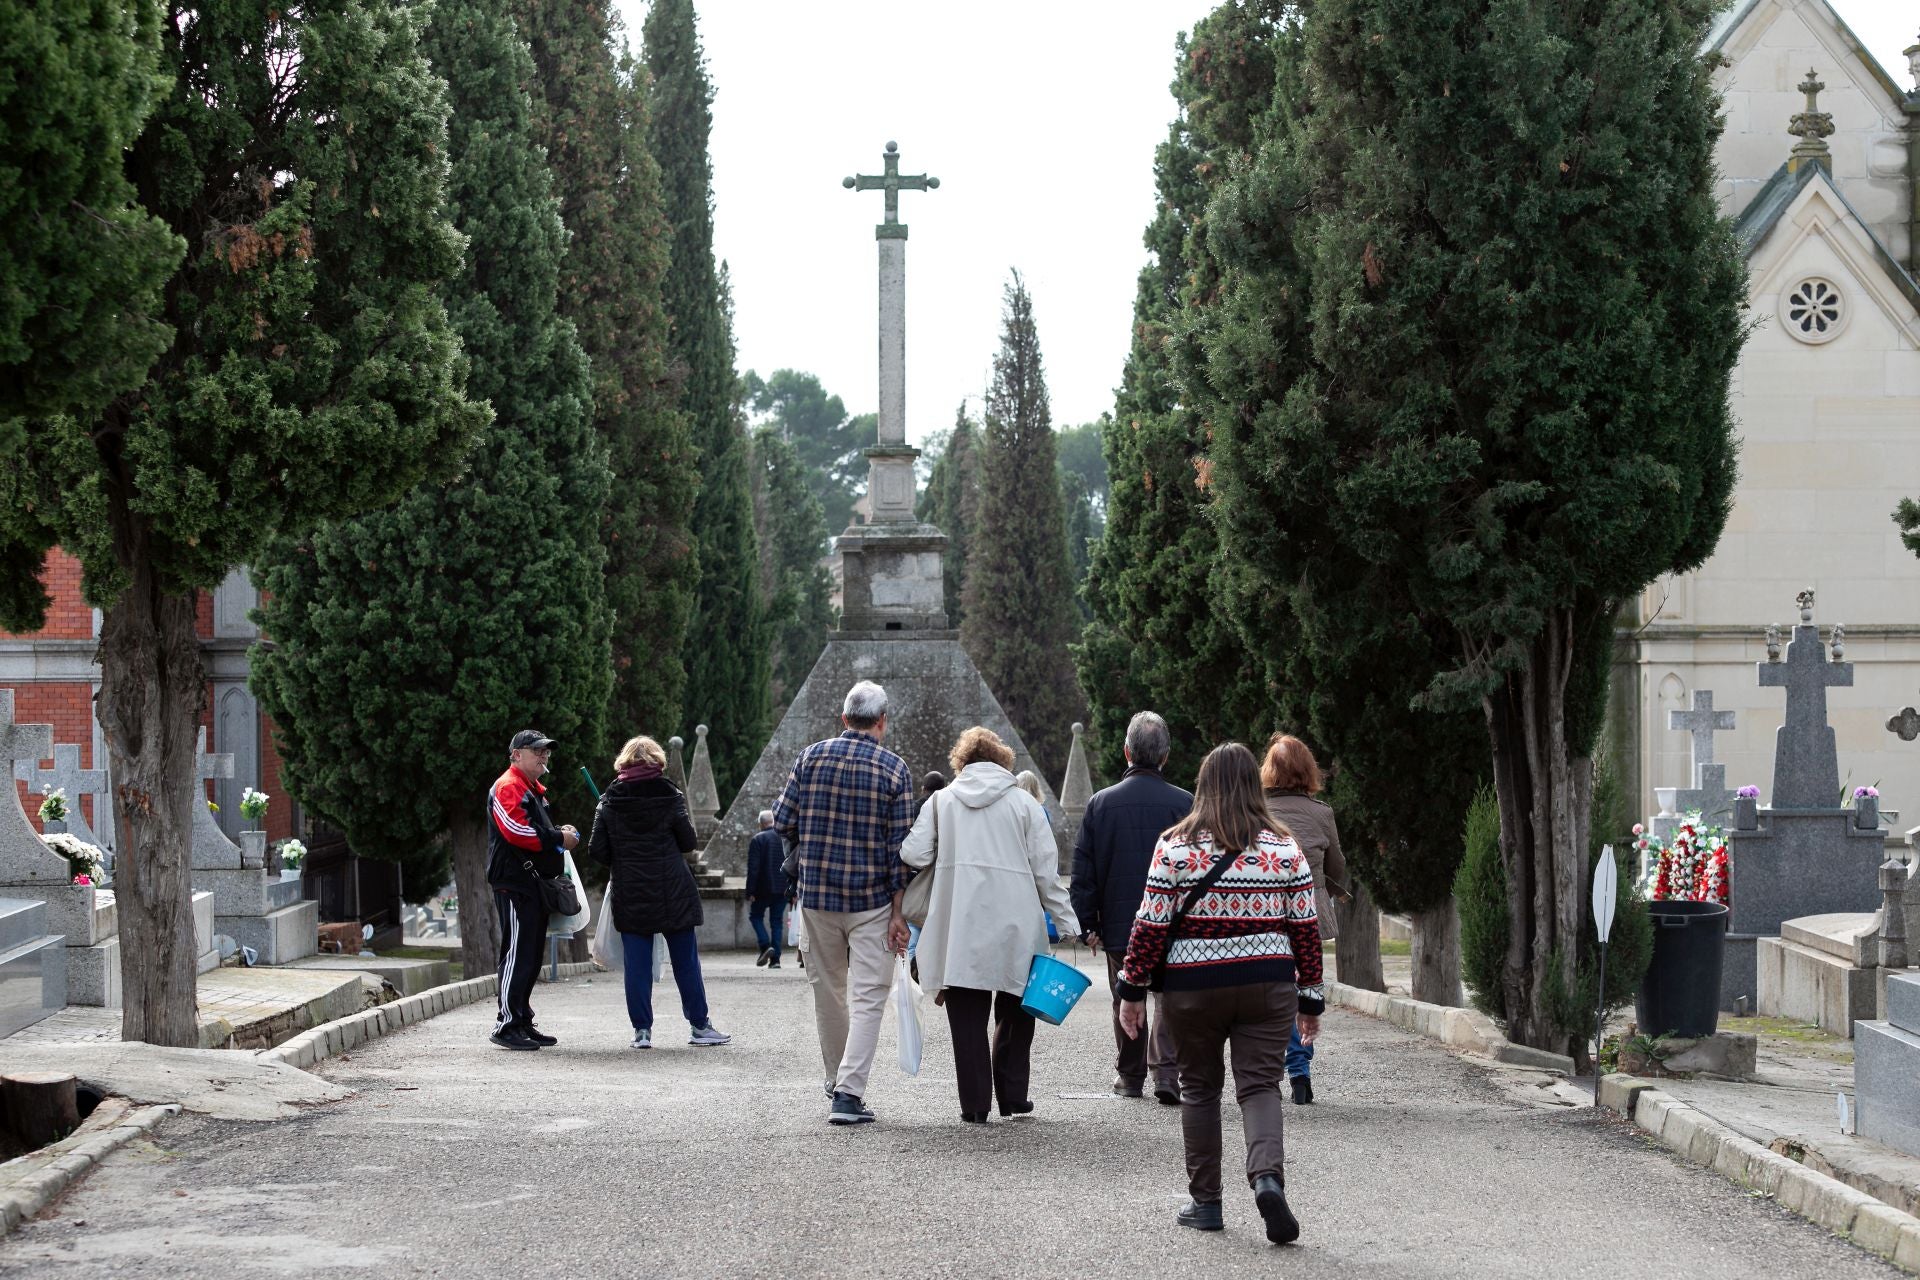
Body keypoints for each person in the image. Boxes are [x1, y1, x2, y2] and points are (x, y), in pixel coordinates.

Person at [1115, 742, 1323, 1244]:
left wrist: (1132, 989)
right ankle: (1267, 1177)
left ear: (1203, 786)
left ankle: (1206, 1202)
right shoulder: (1284, 847)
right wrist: (1310, 998)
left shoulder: (1174, 846)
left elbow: (1151, 924)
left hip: (1192, 989)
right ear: (1254, 785)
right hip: (1266, 984)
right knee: (1259, 1087)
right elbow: (1305, 928)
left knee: (1199, 1089)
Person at [900, 727, 1080, 1124]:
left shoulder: (940, 802)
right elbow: (1046, 875)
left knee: (966, 1020)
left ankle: (975, 1105)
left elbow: (912, 853)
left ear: (960, 763)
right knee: (1017, 1013)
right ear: (1003, 762)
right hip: (1018, 926)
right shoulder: (1025, 806)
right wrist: (1068, 923)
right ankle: (1014, 1097)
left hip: (958, 927)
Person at [772, 680, 914, 1125]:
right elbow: (900, 851)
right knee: (870, 995)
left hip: (816, 897)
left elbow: (781, 819)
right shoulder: (894, 769)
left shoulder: (810, 757)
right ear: (883, 722)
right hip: (871, 899)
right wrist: (898, 913)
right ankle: (849, 1094)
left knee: (828, 993)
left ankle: (837, 1080)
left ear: (844, 717)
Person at [1068, 710, 1192, 1102]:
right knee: (1170, 998)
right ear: (1165, 756)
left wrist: (1089, 923)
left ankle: (1131, 1075)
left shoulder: (1100, 805)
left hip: (1122, 923)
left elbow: (1084, 871)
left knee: (1126, 993)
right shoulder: (1185, 803)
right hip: (1175, 922)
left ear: (1126, 752)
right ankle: (1167, 1075)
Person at [587, 735, 730, 1049]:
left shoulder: (609, 800)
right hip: (673, 890)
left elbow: (597, 849)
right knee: (685, 961)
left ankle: (642, 1031)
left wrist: (623, 853)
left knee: (637, 965)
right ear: (657, 763)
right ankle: (699, 1026)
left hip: (632, 890)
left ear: (623, 763)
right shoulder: (670, 794)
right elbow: (688, 841)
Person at [1261, 733, 1350, 1105]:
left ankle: (1266, 1073)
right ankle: (1300, 1073)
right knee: (1305, 987)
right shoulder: (1322, 813)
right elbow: (1338, 866)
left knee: (1268, 991)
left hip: (1264, 910)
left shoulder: (1256, 809)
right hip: (1309, 908)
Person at [486, 729, 579, 1050]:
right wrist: (558, 838)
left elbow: (529, 829)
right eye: (536, 750)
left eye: (546, 751)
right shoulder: (509, 786)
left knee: (529, 953)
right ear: (516, 755)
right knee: (517, 953)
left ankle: (522, 1020)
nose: (543, 755)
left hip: (531, 881)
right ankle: (507, 1024)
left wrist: (558, 832)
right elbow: (515, 830)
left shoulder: (530, 788)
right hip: (515, 882)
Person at [746, 809, 789, 968]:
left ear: (761, 824)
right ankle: (775, 960)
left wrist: (750, 891)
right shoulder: (784, 838)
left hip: (762, 889)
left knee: (755, 916)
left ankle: (765, 946)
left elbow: (754, 868)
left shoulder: (758, 839)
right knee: (776, 922)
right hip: (782, 887)